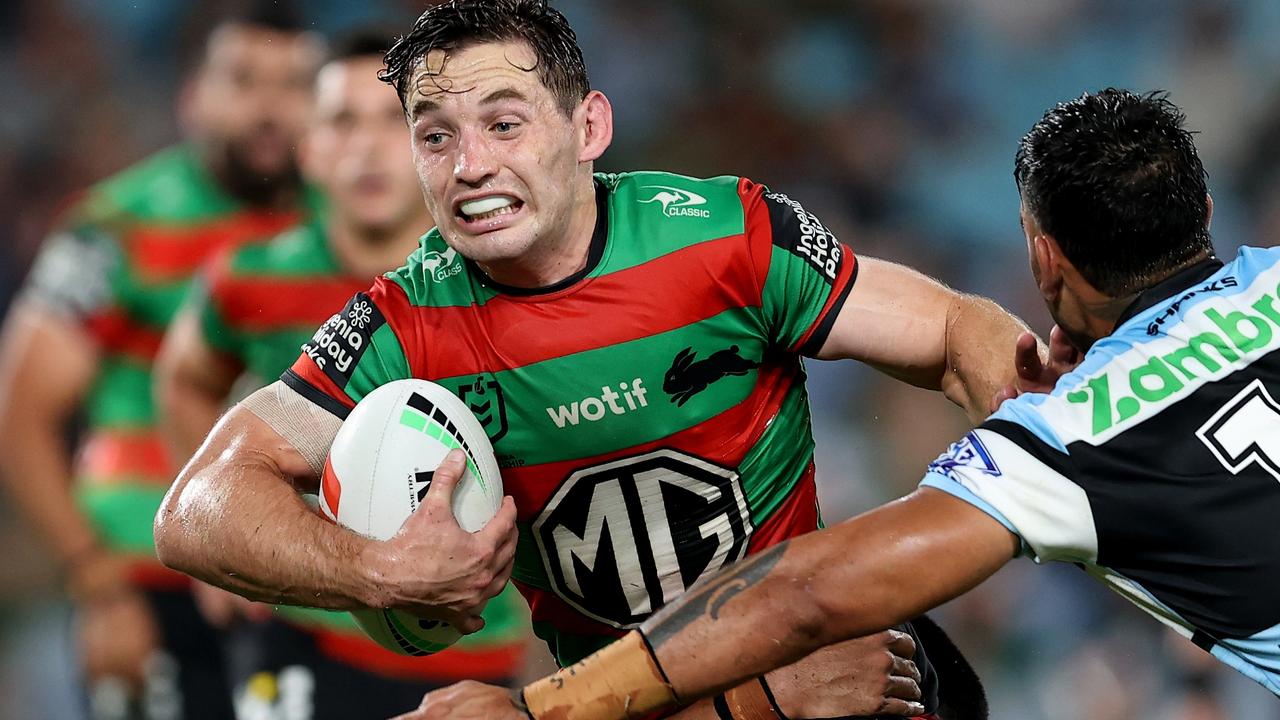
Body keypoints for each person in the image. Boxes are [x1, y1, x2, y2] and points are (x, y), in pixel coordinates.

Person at [154, 1, 1045, 717]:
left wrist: (1036, 421)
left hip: (816, 658)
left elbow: (950, 330)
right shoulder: (405, 320)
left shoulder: (727, 238)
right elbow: (196, 510)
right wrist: (381, 570)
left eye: (504, 124)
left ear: (589, 127)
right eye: (435, 136)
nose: (469, 165)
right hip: (626, 698)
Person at [402, 88, 1280, 720]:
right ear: (1203, 208)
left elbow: (807, 599)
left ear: (1042, 259)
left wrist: (538, 712)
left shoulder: (1065, 441)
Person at [153, 30, 531, 719]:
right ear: (309, 148)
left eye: (393, 120)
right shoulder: (248, 278)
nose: (367, 147)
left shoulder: (506, 275)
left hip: (480, 648)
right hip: (307, 634)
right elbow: (183, 378)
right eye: (341, 122)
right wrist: (228, 547)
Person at [0, 5, 322, 719]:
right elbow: (20, 414)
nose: (270, 108)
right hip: (154, 584)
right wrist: (99, 590)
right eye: (244, 79)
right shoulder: (119, 227)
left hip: (302, 581)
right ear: (193, 97)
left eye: (294, 83)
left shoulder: (339, 225)